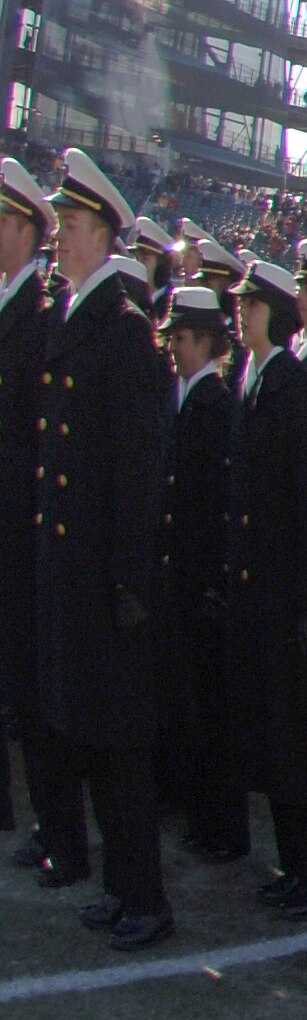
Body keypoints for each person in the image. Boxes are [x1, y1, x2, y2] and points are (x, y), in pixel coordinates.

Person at [34, 156, 177, 943]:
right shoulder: (78, 318)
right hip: (74, 569)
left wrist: (127, 580)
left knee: (119, 748)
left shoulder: (122, 331)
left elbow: (136, 469)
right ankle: (121, 889)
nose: (57, 237)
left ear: (102, 234)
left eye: (69, 225)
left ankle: (146, 899)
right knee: (89, 739)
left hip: (105, 579)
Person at [225, 260, 307, 916]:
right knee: (274, 743)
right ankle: (293, 864)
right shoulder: (251, 378)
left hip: (289, 599)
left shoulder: (295, 388)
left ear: (272, 314)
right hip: (260, 595)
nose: (239, 313)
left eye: (250, 305)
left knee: (301, 744)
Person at [157, 282, 251, 868]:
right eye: (173, 337)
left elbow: (218, 502)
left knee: (213, 711)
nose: (175, 348)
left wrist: (217, 579)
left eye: (185, 338)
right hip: (180, 575)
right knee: (186, 701)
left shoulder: (216, 405)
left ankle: (222, 826)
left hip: (203, 578)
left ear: (210, 344)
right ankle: (198, 812)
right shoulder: (183, 399)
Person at [0, 162, 55, 873]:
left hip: (19, 518)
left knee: (24, 677)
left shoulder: (38, 317)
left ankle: (47, 820)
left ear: (22, 230)